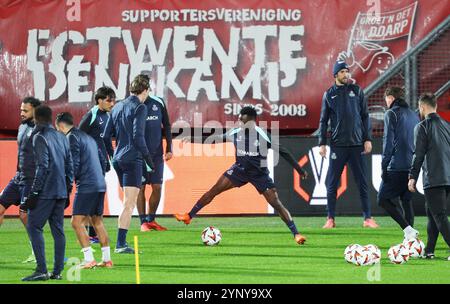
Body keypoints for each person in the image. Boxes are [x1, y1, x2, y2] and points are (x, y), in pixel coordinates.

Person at [174, 106, 309, 245]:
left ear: (250, 120)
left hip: (259, 174)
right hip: (239, 170)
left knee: (276, 203)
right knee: (213, 190)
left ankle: (296, 234)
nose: (238, 121)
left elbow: (284, 151)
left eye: (241, 119)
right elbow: (214, 139)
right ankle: (189, 216)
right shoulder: (235, 132)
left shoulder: (262, 135)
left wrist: (299, 170)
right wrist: (192, 138)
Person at [318, 60, 378, 229]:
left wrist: (367, 139)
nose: (346, 74)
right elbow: (323, 121)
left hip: (357, 145)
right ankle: (330, 219)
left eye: (347, 71)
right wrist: (322, 143)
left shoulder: (357, 91)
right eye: (343, 72)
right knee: (331, 183)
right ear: (335, 74)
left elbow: (365, 116)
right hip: (337, 146)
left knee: (362, 183)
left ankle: (367, 218)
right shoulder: (328, 94)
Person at [21, 105, 74, 281]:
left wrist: (33, 194)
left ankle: (41, 270)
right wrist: (67, 190)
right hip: (60, 191)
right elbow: (69, 166)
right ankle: (57, 272)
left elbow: (42, 167)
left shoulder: (39, 137)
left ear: (36, 118)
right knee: (58, 231)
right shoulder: (62, 137)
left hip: (46, 191)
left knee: (34, 227)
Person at [56, 112, 113, 269]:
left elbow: (73, 163)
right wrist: (98, 176)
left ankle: (89, 259)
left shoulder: (71, 138)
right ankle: (107, 260)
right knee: (97, 221)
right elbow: (104, 161)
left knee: (76, 222)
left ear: (60, 126)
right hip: (100, 183)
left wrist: (67, 185)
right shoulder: (89, 137)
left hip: (87, 185)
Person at [110, 74, 154, 253]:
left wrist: (113, 155)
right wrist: (148, 159)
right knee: (129, 203)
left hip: (118, 159)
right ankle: (120, 244)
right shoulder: (140, 107)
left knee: (127, 202)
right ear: (145, 90)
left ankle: (119, 242)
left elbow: (106, 135)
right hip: (132, 158)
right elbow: (138, 136)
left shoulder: (118, 106)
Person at [408, 93, 450, 260]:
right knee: (432, 213)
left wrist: (412, 176)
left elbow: (418, 154)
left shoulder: (422, 127)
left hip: (434, 178)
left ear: (422, 107)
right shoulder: (447, 125)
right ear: (435, 106)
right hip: (448, 177)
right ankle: (429, 250)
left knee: (439, 215)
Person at [0, 97, 41, 264]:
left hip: (32, 179)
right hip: (19, 178)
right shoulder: (22, 127)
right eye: (21, 110)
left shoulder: (42, 130)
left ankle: (36, 251)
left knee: (24, 216)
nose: (21, 113)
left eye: (25, 110)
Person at [378, 87, 420, 239]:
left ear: (391, 98)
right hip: (412, 165)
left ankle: (408, 230)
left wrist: (384, 166)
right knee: (406, 200)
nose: (386, 102)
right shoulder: (414, 115)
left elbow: (388, 143)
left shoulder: (391, 113)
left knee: (382, 199)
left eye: (387, 98)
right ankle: (410, 240)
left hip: (396, 166)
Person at [79, 86, 116, 244]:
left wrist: (111, 158)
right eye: (109, 100)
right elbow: (78, 135)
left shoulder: (107, 116)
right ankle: (91, 232)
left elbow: (106, 140)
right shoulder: (92, 114)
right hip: (89, 162)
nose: (112, 103)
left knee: (97, 195)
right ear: (99, 100)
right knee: (92, 195)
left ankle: (92, 232)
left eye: (113, 100)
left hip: (101, 162)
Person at [137, 95, 173, 232]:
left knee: (157, 186)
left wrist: (169, 148)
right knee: (140, 187)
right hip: (138, 154)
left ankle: (151, 220)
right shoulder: (132, 104)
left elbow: (167, 125)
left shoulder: (158, 102)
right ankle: (142, 222)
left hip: (157, 154)